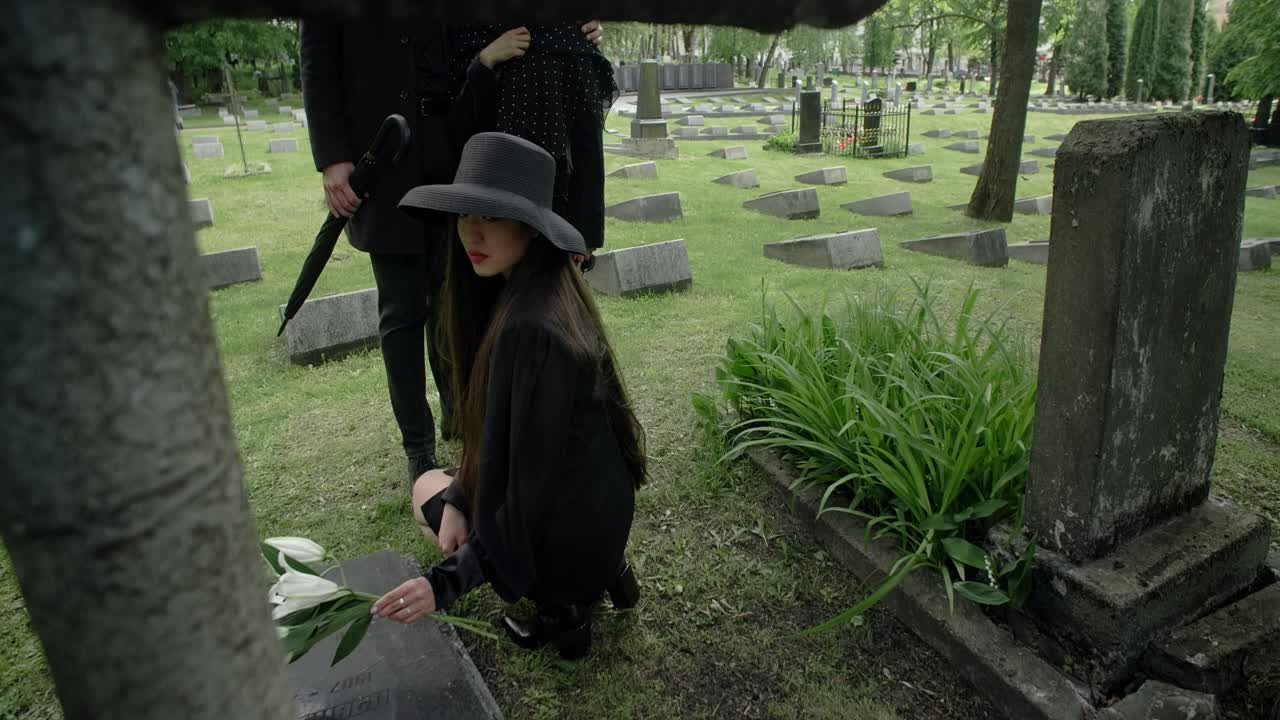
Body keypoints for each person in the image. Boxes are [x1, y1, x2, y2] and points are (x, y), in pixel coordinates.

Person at [370, 133, 645, 659]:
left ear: (530, 227)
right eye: (465, 213)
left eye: (493, 216)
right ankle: (609, 576)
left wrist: (444, 582)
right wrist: (460, 499)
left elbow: (529, 493)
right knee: (446, 491)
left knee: (423, 485)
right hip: (604, 524)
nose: (471, 231)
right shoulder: (555, 294)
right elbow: (517, 451)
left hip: (565, 546)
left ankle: (562, 611)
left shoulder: (529, 327)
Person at [299, 20, 603, 488]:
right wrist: (333, 157)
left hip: (451, 147)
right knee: (402, 309)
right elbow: (318, 55)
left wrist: (570, 24)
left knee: (455, 298)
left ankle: (459, 417)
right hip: (386, 147)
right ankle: (418, 448)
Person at [448, 23, 617, 256]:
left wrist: (587, 235)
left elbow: (587, 139)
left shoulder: (570, 29)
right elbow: (458, 123)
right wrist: (485, 60)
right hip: (488, 195)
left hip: (557, 204)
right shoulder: (469, 25)